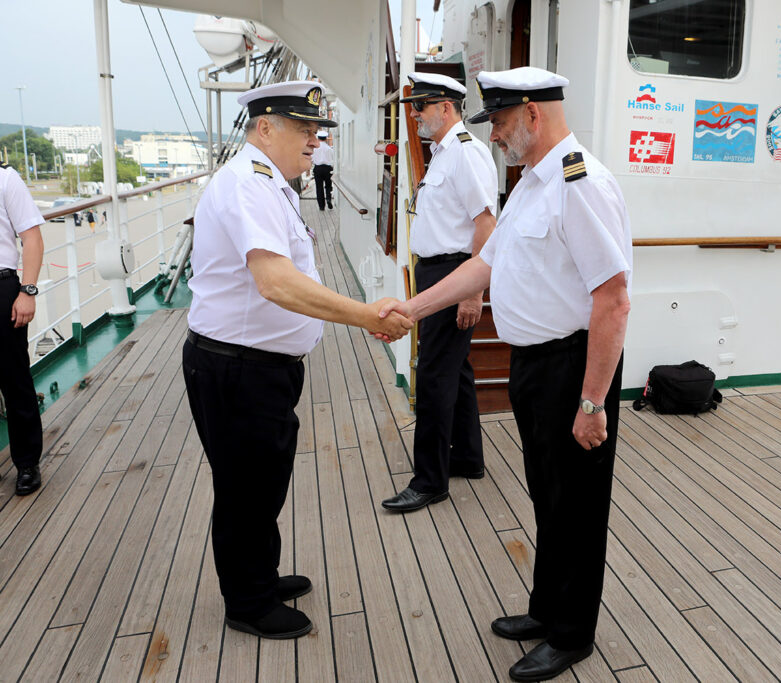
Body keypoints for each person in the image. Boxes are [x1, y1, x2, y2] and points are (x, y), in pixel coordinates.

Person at [379, 67, 632, 681]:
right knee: (547, 493)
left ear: (532, 114)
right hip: (534, 366)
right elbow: (482, 265)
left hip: (573, 369)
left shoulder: (581, 185)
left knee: (577, 505)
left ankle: (571, 635)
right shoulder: (529, 186)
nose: (492, 134)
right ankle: (547, 610)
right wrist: (411, 310)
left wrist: (592, 403)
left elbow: (614, 300)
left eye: (498, 120)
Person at [182, 80, 411, 640]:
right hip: (239, 368)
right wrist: (365, 315)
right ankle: (249, 603)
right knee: (246, 488)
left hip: (260, 367)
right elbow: (276, 282)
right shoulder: (249, 185)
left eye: (316, 130)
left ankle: (259, 576)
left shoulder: (271, 182)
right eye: (304, 129)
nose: (314, 140)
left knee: (262, 481)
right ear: (265, 128)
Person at [381, 72, 497, 513]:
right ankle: (466, 457)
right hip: (437, 272)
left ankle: (429, 480)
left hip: (455, 273)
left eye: (420, 107)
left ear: (446, 107)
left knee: (433, 375)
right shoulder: (444, 153)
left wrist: (472, 292)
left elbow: (486, 223)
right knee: (455, 368)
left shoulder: (466, 153)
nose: (414, 116)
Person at [0, 161, 44, 495]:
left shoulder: (6, 178)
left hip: (2, 285)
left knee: (15, 379)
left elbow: (32, 237)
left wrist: (27, 291)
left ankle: (27, 463)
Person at [311, 129, 334, 210]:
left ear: (318, 138)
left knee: (319, 187)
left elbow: (311, 159)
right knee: (328, 185)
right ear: (326, 138)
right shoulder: (329, 148)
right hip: (328, 168)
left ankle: (321, 206)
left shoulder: (315, 148)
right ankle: (328, 198)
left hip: (318, 168)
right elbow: (332, 159)